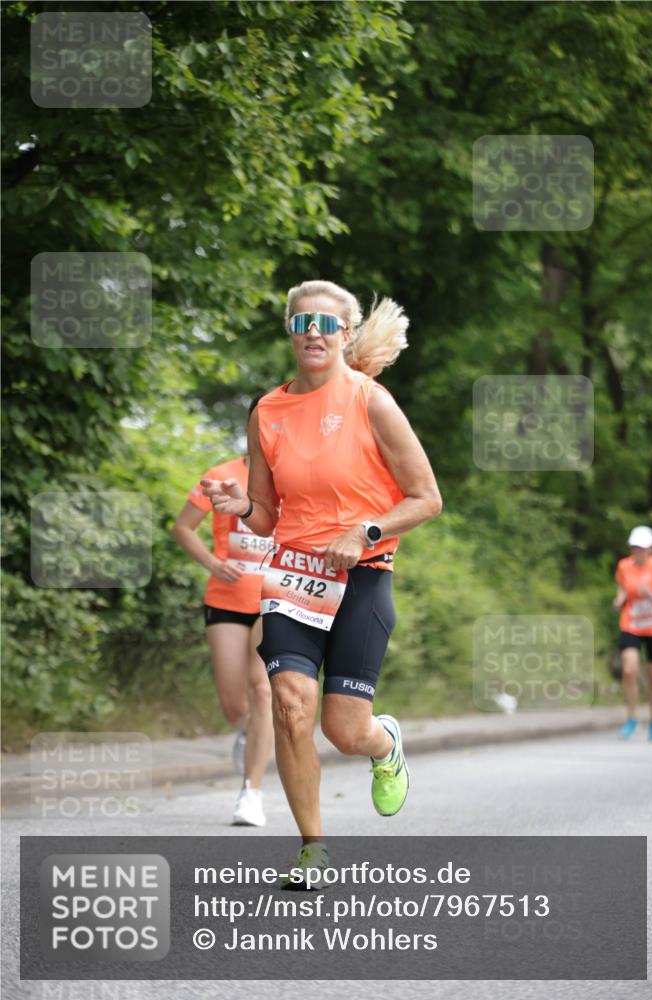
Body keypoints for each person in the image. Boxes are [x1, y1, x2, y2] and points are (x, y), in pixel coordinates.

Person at [202, 279, 442, 883]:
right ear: (289, 330)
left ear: (346, 335)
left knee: (342, 729)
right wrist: (237, 505)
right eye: (303, 321)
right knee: (288, 704)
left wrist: (362, 534)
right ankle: (313, 847)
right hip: (293, 574)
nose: (315, 331)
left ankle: (383, 743)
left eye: (327, 323)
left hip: (362, 574)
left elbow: (426, 499)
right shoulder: (267, 411)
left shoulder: (372, 401)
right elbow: (264, 511)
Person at [171, 396, 275, 825]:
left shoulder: (291, 479)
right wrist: (213, 563)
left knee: (263, 690)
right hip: (227, 600)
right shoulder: (220, 475)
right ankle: (247, 733)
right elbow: (182, 527)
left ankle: (251, 792)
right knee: (235, 705)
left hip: (276, 598)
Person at [612, 525, 652, 742]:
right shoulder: (624, 566)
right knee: (629, 669)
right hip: (631, 624)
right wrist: (619, 599)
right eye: (634, 547)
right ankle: (632, 718)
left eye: (642, 548)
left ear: (651, 548)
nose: (638, 551)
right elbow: (624, 588)